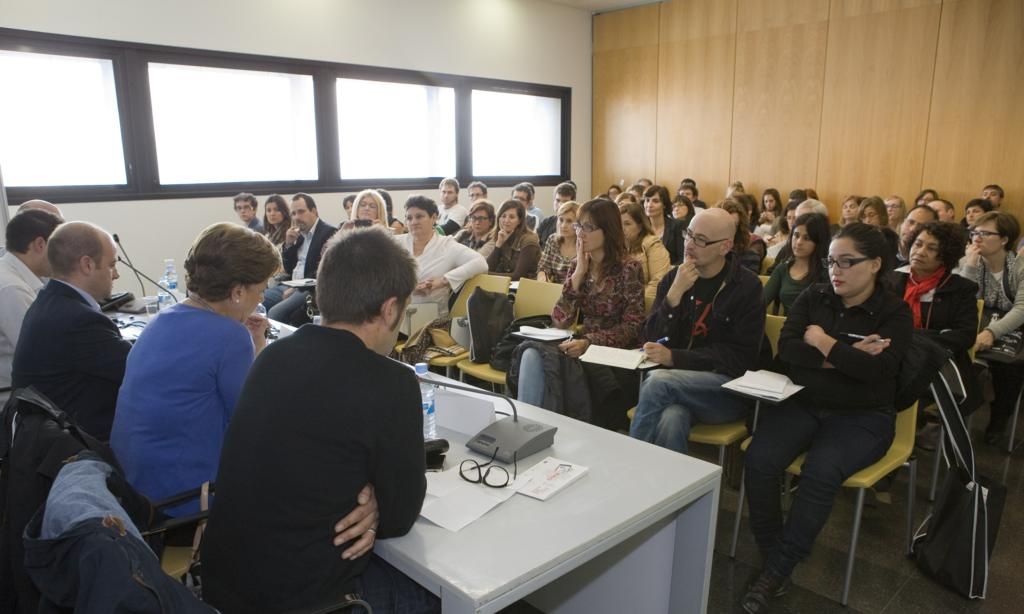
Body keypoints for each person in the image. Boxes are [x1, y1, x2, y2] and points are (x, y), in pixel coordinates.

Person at [202, 227, 437, 614]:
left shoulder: (272, 358)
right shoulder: (392, 383)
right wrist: (381, 503)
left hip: (225, 589)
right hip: (308, 603)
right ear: (391, 309)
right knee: (435, 594)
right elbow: (399, 520)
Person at [741, 223, 912, 613]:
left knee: (820, 472)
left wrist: (821, 341)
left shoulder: (894, 312)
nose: (836, 270)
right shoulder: (814, 296)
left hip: (863, 416)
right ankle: (775, 556)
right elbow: (787, 351)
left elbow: (878, 372)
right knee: (761, 460)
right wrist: (845, 357)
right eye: (832, 261)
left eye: (847, 262)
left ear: (875, 265)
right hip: (804, 401)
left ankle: (775, 572)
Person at [110, 223, 280, 516]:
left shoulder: (164, 319)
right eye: (262, 290)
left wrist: (256, 344)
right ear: (238, 291)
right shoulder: (229, 336)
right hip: (184, 501)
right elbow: (253, 423)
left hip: (132, 488)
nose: (262, 300)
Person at [629, 207, 765, 456]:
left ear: (725, 247)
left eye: (700, 240)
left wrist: (675, 358)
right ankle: (671, 492)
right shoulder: (674, 279)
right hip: (677, 386)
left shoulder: (746, 287)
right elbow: (649, 339)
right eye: (688, 234)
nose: (689, 244)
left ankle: (629, 464)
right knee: (671, 419)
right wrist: (672, 298)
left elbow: (740, 359)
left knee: (659, 381)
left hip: (725, 391)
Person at [516, 198, 645, 430]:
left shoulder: (629, 267)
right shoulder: (578, 264)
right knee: (532, 354)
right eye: (579, 226)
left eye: (588, 227)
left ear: (608, 230)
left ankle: (550, 429)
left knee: (553, 367)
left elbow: (633, 326)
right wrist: (578, 275)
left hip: (613, 356)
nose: (580, 233)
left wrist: (589, 342)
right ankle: (528, 428)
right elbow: (560, 319)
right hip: (580, 346)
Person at [12, 222, 130, 440]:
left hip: (49, 435)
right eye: (112, 265)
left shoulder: (50, 299)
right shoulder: (79, 320)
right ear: (87, 265)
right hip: (79, 444)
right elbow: (139, 369)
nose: (116, 275)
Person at [893, 222, 981, 422]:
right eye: (918, 244)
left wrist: (915, 339)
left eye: (931, 248)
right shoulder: (891, 280)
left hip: (934, 362)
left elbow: (966, 335)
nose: (920, 252)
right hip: (891, 355)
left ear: (946, 255)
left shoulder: (960, 288)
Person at [957, 211, 1024, 444]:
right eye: (975, 232)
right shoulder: (968, 262)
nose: (977, 238)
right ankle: (952, 417)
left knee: (1009, 369)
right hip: (978, 327)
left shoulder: (1019, 266)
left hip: (1014, 330)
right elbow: (960, 303)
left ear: (1004, 239)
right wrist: (970, 268)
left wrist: (992, 332)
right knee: (962, 359)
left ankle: (999, 420)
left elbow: (1022, 309)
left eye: (985, 233)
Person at [0, 210, 62, 402]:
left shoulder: (13, 274)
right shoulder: (12, 289)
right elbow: (41, 354)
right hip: (12, 398)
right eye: (59, 248)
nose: (63, 257)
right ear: (40, 244)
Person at [394, 195, 488, 318]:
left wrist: (444, 280)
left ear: (434, 218)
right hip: (398, 317)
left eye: (419, 216)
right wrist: (409, 288)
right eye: (409, 218)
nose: (413, 222)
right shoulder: (396, 243)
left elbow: (481, 263)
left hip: (432, 321)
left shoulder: (447, 245)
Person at [267, 193, 337, 324]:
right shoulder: (298, 235)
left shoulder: (329, 232)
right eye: (293, 214)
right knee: (261, 301)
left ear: (314, 211)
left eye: (301, 212)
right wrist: (288, 245)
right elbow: (288, 268)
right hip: (290, 284)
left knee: (274, 313)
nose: (297, 217)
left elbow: (324, 269)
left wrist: (297, 288)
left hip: (310, 288)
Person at [764, 213, 830, 315]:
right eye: (796, 235)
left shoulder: (826, 271)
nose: (799, 242)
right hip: (786, 327)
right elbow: (760, 302)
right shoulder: (783, 268)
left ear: (818, 242)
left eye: (806, 238)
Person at [619, 200, 671, 301]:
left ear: (640, 226)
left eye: (627, 224)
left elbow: (658, 282)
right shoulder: (614, 246)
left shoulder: (652, 244)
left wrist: (634, 304)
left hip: (642, 304)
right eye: (618, 224)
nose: (622, 228)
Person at [487, 199, 541, 280]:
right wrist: (498, 245)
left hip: (527, 287)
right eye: (503, 216)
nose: (506, 220)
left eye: (511, 217)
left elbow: (518, 276)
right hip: (507, 286)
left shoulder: (529, 241)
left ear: (519, 221)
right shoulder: (502, 236)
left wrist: (486, 274)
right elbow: (489, 267)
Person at [536, 200, 580, 284]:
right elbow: (543, 268)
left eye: (569, 221)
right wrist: (542, 279)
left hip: (576, 292)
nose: (563, 225)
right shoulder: (552, 240)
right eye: (561, 220)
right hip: (553, 291)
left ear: (578, 224)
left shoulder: (584, 244)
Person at [717, 199, 764, 274]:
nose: (729, 229)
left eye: (734, 225)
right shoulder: (706, 250)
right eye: (725, 223)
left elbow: (747, 284)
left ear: (739, 229)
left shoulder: (750, 256)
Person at [644, 185, 685, 265]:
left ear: (664, 205)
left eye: (655, 201)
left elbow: (682, 257)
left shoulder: (677, 226)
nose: (649, 205)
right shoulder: (641, 226)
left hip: (670, 272)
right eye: (647, 200)